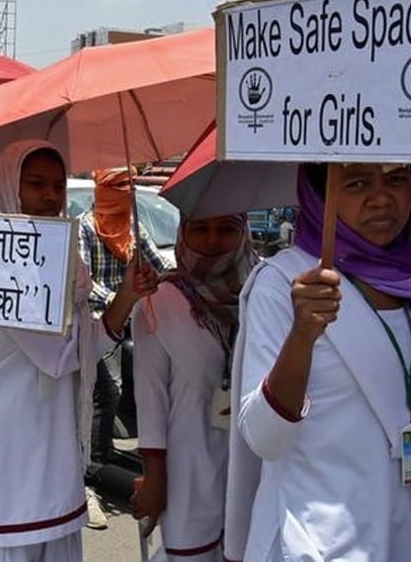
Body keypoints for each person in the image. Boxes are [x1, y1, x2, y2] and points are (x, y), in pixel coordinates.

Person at [0, 141, 156, 562]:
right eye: (36, 184)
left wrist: (126, 295)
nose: (50, 196)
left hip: (57, 464)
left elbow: (86, 350)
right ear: (6, 187)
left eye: (56, 185)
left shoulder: (70, 266)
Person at [225, 164, 411, 562]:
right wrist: (302, 336)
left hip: (407, 530)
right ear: (319, 196)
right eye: (356, 183)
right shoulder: (283, 283)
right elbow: (264, 438)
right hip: (315, 543)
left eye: (397, 179)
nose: (382, 197)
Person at [131, 214, 258, 561]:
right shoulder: (159, 301)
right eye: (200, 229)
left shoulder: (263, 291)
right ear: (183, 233)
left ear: (243, 232)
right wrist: (154, 477)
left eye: (227, 229)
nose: (213, 240)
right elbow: (150, 397)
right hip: (188, 461)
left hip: (252, 453)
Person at [76, 168, 168, 529]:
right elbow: (85, 284)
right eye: (116, 188)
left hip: (133, 321)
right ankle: (89, 479)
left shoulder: (134, 229)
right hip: (98, 322)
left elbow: (158, 266)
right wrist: (120, 299)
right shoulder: (84, 228)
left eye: (127, 187)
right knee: (104, 394)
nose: (122, 195)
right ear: (101, 191)